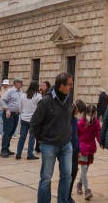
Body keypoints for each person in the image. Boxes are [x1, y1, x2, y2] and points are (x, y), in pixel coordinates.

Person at [30, 72, 74, 203]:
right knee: (46, 178)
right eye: (69, 84)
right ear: (61, 86)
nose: (71, 87)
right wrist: (42, 140)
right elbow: (34, 124)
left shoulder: (69, 98)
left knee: (67, 176)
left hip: (66, 145)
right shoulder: (45, 102)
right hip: (49, 145)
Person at [77, 104, 101, 201]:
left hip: (90, 148)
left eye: (92, 114)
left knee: (85, 169)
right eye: (88, 113)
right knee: (84, 168)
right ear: (86, 113)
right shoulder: (80, 123)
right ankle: (87, 190)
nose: (90, 116)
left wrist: (101, 142)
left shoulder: (96, 123)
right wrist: (76, 149)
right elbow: (76, 136)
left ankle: (79, 184)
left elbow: (98, 133)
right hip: (82, 148)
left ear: (94, 114)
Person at [17, 81, 42, 160]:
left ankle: (18, 153)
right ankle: (30, 154)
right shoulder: (38, 96)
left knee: (22, 137)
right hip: (33, 119)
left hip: (24, 118)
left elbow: (19, 106)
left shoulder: (23, 95)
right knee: (32, 137)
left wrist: (23, 113)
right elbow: (40, 108)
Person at [0, 78, 24, 157]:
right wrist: (7, 110)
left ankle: (7, 148)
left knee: (12, 131)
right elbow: (2, 100)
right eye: (18, 82)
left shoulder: (21, 92)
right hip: (9, 114)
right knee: (7, 131)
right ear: (15, 83)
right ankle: (3, 150)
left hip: (16, 114)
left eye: (21, 82)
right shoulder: (10, 91)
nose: (20, 84)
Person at [67, 100, 85, 203]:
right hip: (67, 149)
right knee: (68, 173)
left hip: (74, 150)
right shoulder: (67, 119)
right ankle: (66, 195)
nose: (79, 114)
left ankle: (68, 195)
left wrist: (78, 150)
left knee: (74, 171)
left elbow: (76, 136)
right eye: (79, 111)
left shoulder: (74, 119)